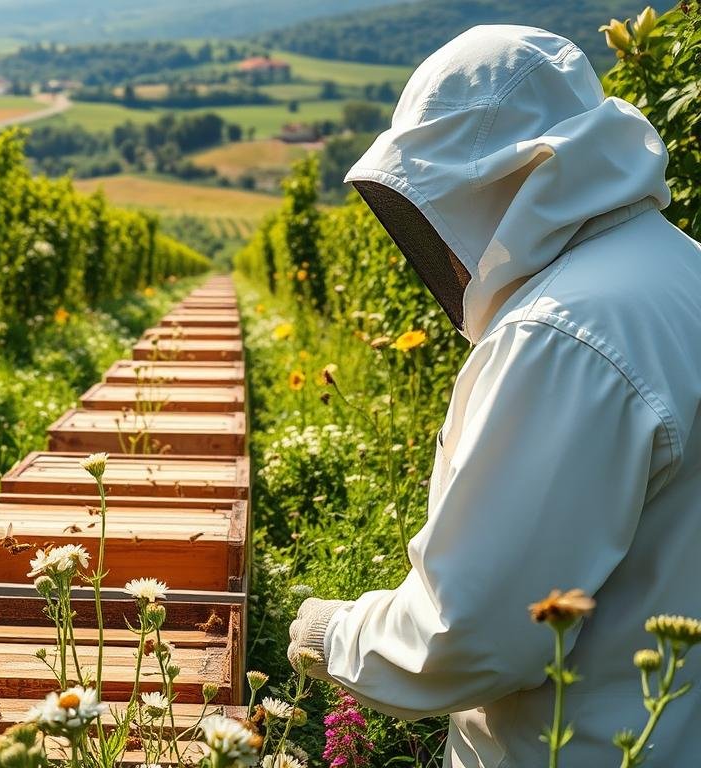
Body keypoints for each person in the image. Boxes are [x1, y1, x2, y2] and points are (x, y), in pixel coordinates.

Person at [286, 24, 701, 767]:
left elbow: (469, 635)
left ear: (488, 183)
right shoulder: (679, 271)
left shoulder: (561, 334)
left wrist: (329, 633)